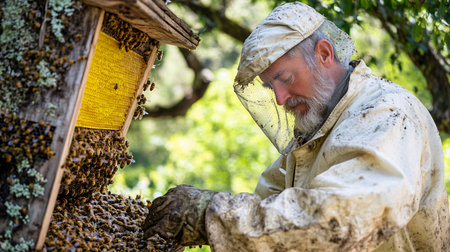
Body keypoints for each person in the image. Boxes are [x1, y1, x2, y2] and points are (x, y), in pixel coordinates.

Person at [142, 2, 449, 251]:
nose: (279, 99)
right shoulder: (313, 137)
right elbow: (269, 212)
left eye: (285, 79)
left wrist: (210, 215)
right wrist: (204, 214)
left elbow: (344, 217)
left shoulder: (387, 111)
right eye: (269, 86)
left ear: (324, 54)